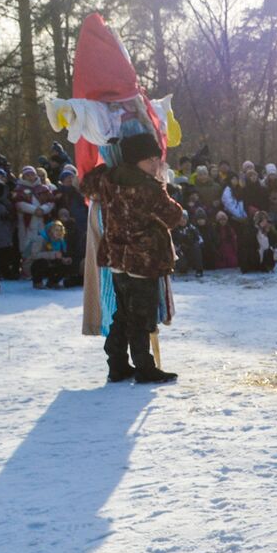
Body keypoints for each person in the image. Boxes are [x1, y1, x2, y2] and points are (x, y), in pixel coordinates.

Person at [79, 130, 184, 384]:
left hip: (116, 257)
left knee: (124, 313)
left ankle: (116, 364)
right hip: (142, 259)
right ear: (135, 159)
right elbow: (173, 217)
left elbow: (85, 186)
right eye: (149, 159)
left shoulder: (107, 178)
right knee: (141, 316)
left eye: (155, 159)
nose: (155, 164)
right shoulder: (148, 188)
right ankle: (144, 367)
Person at [30, 219, 73, 288]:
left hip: (50, 264)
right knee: (41, 262)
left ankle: (53, 282)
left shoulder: (60, 241)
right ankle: (37, 282)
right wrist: (52, 255)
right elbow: (34, 255)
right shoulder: (40, 238)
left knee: (66, 264)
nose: (59, 232)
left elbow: (58, 255)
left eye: (60, 230)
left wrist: (64, 259)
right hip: (35, 264)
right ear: (49, 231)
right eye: (56, 230)